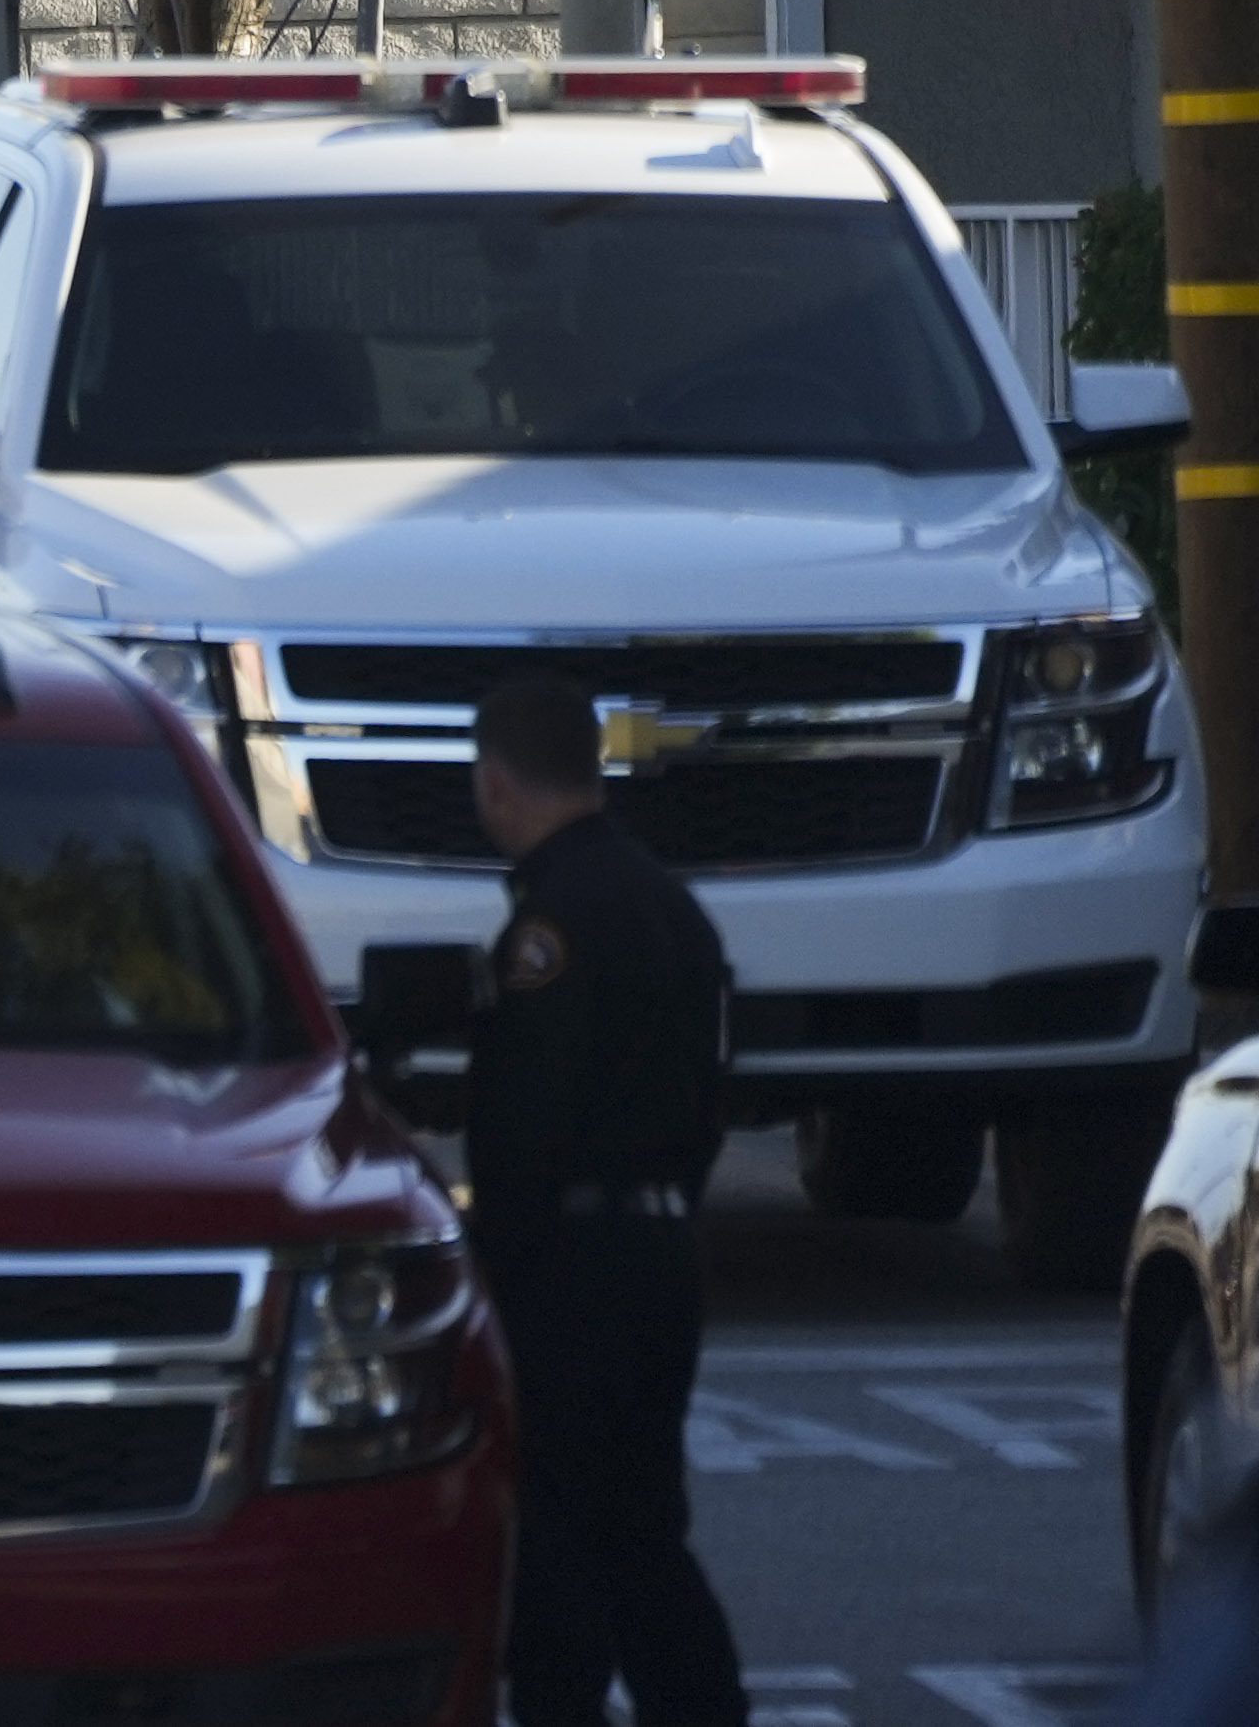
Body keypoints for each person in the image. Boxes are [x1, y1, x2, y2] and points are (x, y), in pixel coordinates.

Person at [462, 667, 745, 1727]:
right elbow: (715, 1097)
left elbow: (524, 1124)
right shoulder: (677, 910)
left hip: (571, 1270)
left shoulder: (549, 931)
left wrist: (496, 1258)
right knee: (642, 1528)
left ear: (497, 784)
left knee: (561, 1531)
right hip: (667, 1252)